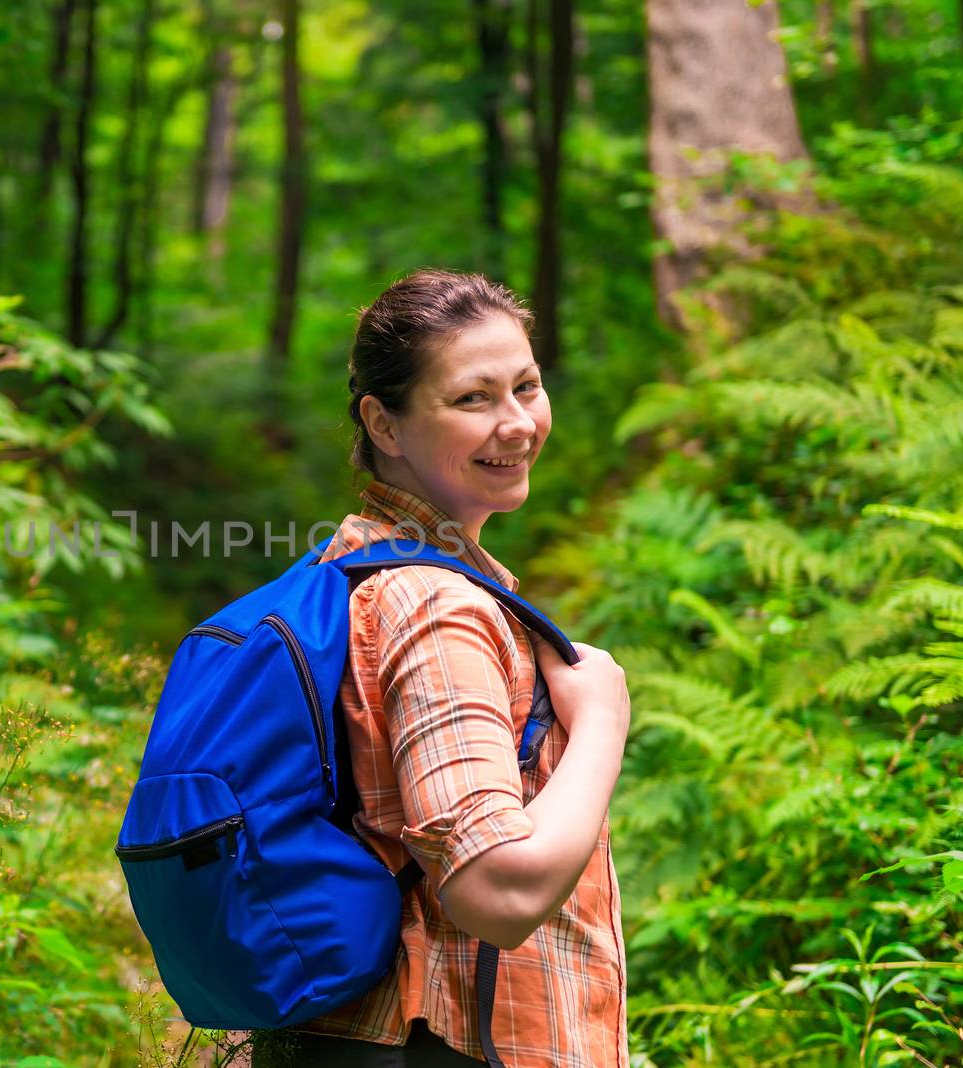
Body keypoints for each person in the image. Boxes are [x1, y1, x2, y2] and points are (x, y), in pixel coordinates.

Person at [250, 269, 631, 1067]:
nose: (518, 423)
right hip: (450, 1038)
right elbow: (497, 891)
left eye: (526, 386)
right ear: (383, 425)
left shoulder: (353, 570)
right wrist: (603, 719)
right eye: (472, 399)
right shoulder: (435, 605)